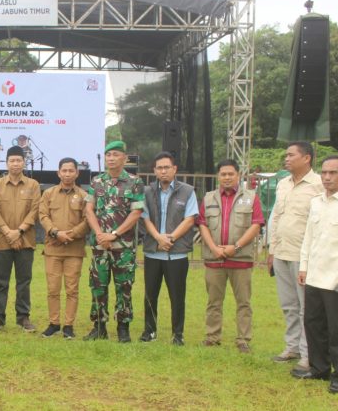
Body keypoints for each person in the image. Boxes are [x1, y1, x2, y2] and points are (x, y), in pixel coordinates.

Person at [293, 155, 338, 394]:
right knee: (313, 323)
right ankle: (319, 368)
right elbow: (309, 237)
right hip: (315, 275)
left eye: (333, 173)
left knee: (337, 328)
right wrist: (304, 266)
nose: (327, 177)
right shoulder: (317, 202)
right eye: (324, 173)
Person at [197, 159, 264, 353]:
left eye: (230, 174)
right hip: (214, 258)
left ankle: (243, 339)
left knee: (243, 302)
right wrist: (214, 248)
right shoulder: (208, 198)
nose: (227, 177)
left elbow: (256, 224)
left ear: (238, 175)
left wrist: (235, 246)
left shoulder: (251, 197)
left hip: (240, 258)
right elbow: (202, 224)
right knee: (213, 301)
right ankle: (212, 337)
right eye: (223, 174)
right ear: (218, 176)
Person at [267, 142, 322, 370]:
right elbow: (276, 217)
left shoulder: (319, 184)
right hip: (281, 253)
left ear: (306, 158)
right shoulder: (282, 184)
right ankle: (292, 347)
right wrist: (271, 250)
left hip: (304, 255)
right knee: (288, 304)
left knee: (306, 306)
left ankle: (308, 354)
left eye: (291, 155)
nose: (286, 159)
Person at [84, 141, 144, 342]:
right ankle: (99, 326)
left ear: (125, 158)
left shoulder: (135, 182)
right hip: (100, 245)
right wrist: (101, 234)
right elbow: (89, 210)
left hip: (123, 247)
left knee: (124, 286)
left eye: (115, 154)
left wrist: (115, 234)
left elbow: (136, 213)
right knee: (98, 285)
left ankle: (123, 328)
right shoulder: (97, 181)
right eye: (108, 155)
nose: (110, 158)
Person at [139, 151, 198, 346]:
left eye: (167, 167)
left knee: (177, 295)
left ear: (174, 169)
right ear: (154, 171)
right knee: (150, 294)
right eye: (159, 168)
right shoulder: (147, 191)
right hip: (153, 252)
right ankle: (150, 331)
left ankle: (177, 334)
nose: (163, 171)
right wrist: (158, 238)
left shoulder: (188, 191)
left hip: (177, 252)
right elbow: (145, 217)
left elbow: (190, 219)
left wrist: (170, 238)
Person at [0, 145, 41, 332]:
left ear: (24, 162)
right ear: (7, 163)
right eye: (12, 160)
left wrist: (18, 231)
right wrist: (8, 232)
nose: (15, 164)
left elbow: (35, 210)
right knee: (0, 281)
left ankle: (23, 317)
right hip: (2, 240)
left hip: (25, 240)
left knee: (24, 281)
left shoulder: (33, 185)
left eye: (19, 160)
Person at [38, 158, 89, 339]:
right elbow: (43, 215)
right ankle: (53, 323)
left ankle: (68, 326)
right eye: (64, 171)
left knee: (72, 289)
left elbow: (88, 219)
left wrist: (72, 234)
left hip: (74, 249)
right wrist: (55, 232)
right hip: (53, 248)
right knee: (52, 289)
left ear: (77, 173)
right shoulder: (48, 194)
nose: (67, 174)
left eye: (71, 171)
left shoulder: (84, 195)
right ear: (58, 173)